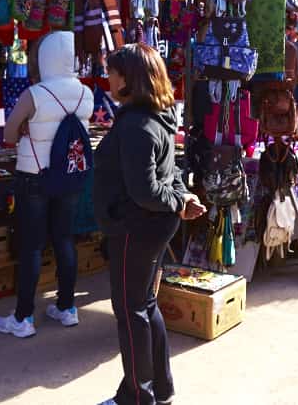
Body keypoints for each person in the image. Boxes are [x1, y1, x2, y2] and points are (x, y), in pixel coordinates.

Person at [93, 44, 206, 405]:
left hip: (135, 227)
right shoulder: (156, 116)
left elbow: (146, 190)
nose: (108, 79)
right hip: (149, 225)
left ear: (129, 78)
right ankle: (159, 389)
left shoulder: (138, 124)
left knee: (131, 312)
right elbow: (168, 175)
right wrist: (181, 199)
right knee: (144, 304)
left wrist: (179, 200)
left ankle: (137, 397)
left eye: (112, 73)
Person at [0, 31, 94, 339]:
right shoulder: (85, 93)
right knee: (64, 240)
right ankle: (67, 307)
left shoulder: (35, 94)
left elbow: (8, 135)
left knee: (32, 246)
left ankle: (23, 317)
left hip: (34, 175)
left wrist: (27, 126)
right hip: (69, 176)